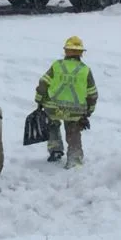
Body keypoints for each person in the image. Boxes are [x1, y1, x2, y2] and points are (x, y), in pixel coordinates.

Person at [34, 36, 98, 169]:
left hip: (53, 107)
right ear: (81, 53)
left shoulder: (57, 66)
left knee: (53, 125)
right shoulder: (85, 70)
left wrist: (39, 100)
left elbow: (43, 84)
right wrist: (88, 112)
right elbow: (92, 94)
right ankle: (74, 159)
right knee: (73, 132)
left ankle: (55, 150)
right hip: (75, 110)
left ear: (66, 51)